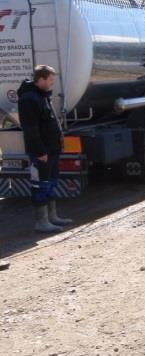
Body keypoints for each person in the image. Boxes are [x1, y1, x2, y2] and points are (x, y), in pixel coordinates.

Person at [17, 65, 72, 232]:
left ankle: (52, 217)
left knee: (51, 183)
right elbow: (31, 129)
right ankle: (41, 222)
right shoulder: (29, 99)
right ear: (40, 79)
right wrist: (40, 152)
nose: (52, 83)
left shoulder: (43, 97)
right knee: (40, 185)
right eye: (50, 80)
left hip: (52, 151)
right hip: (41, 153)